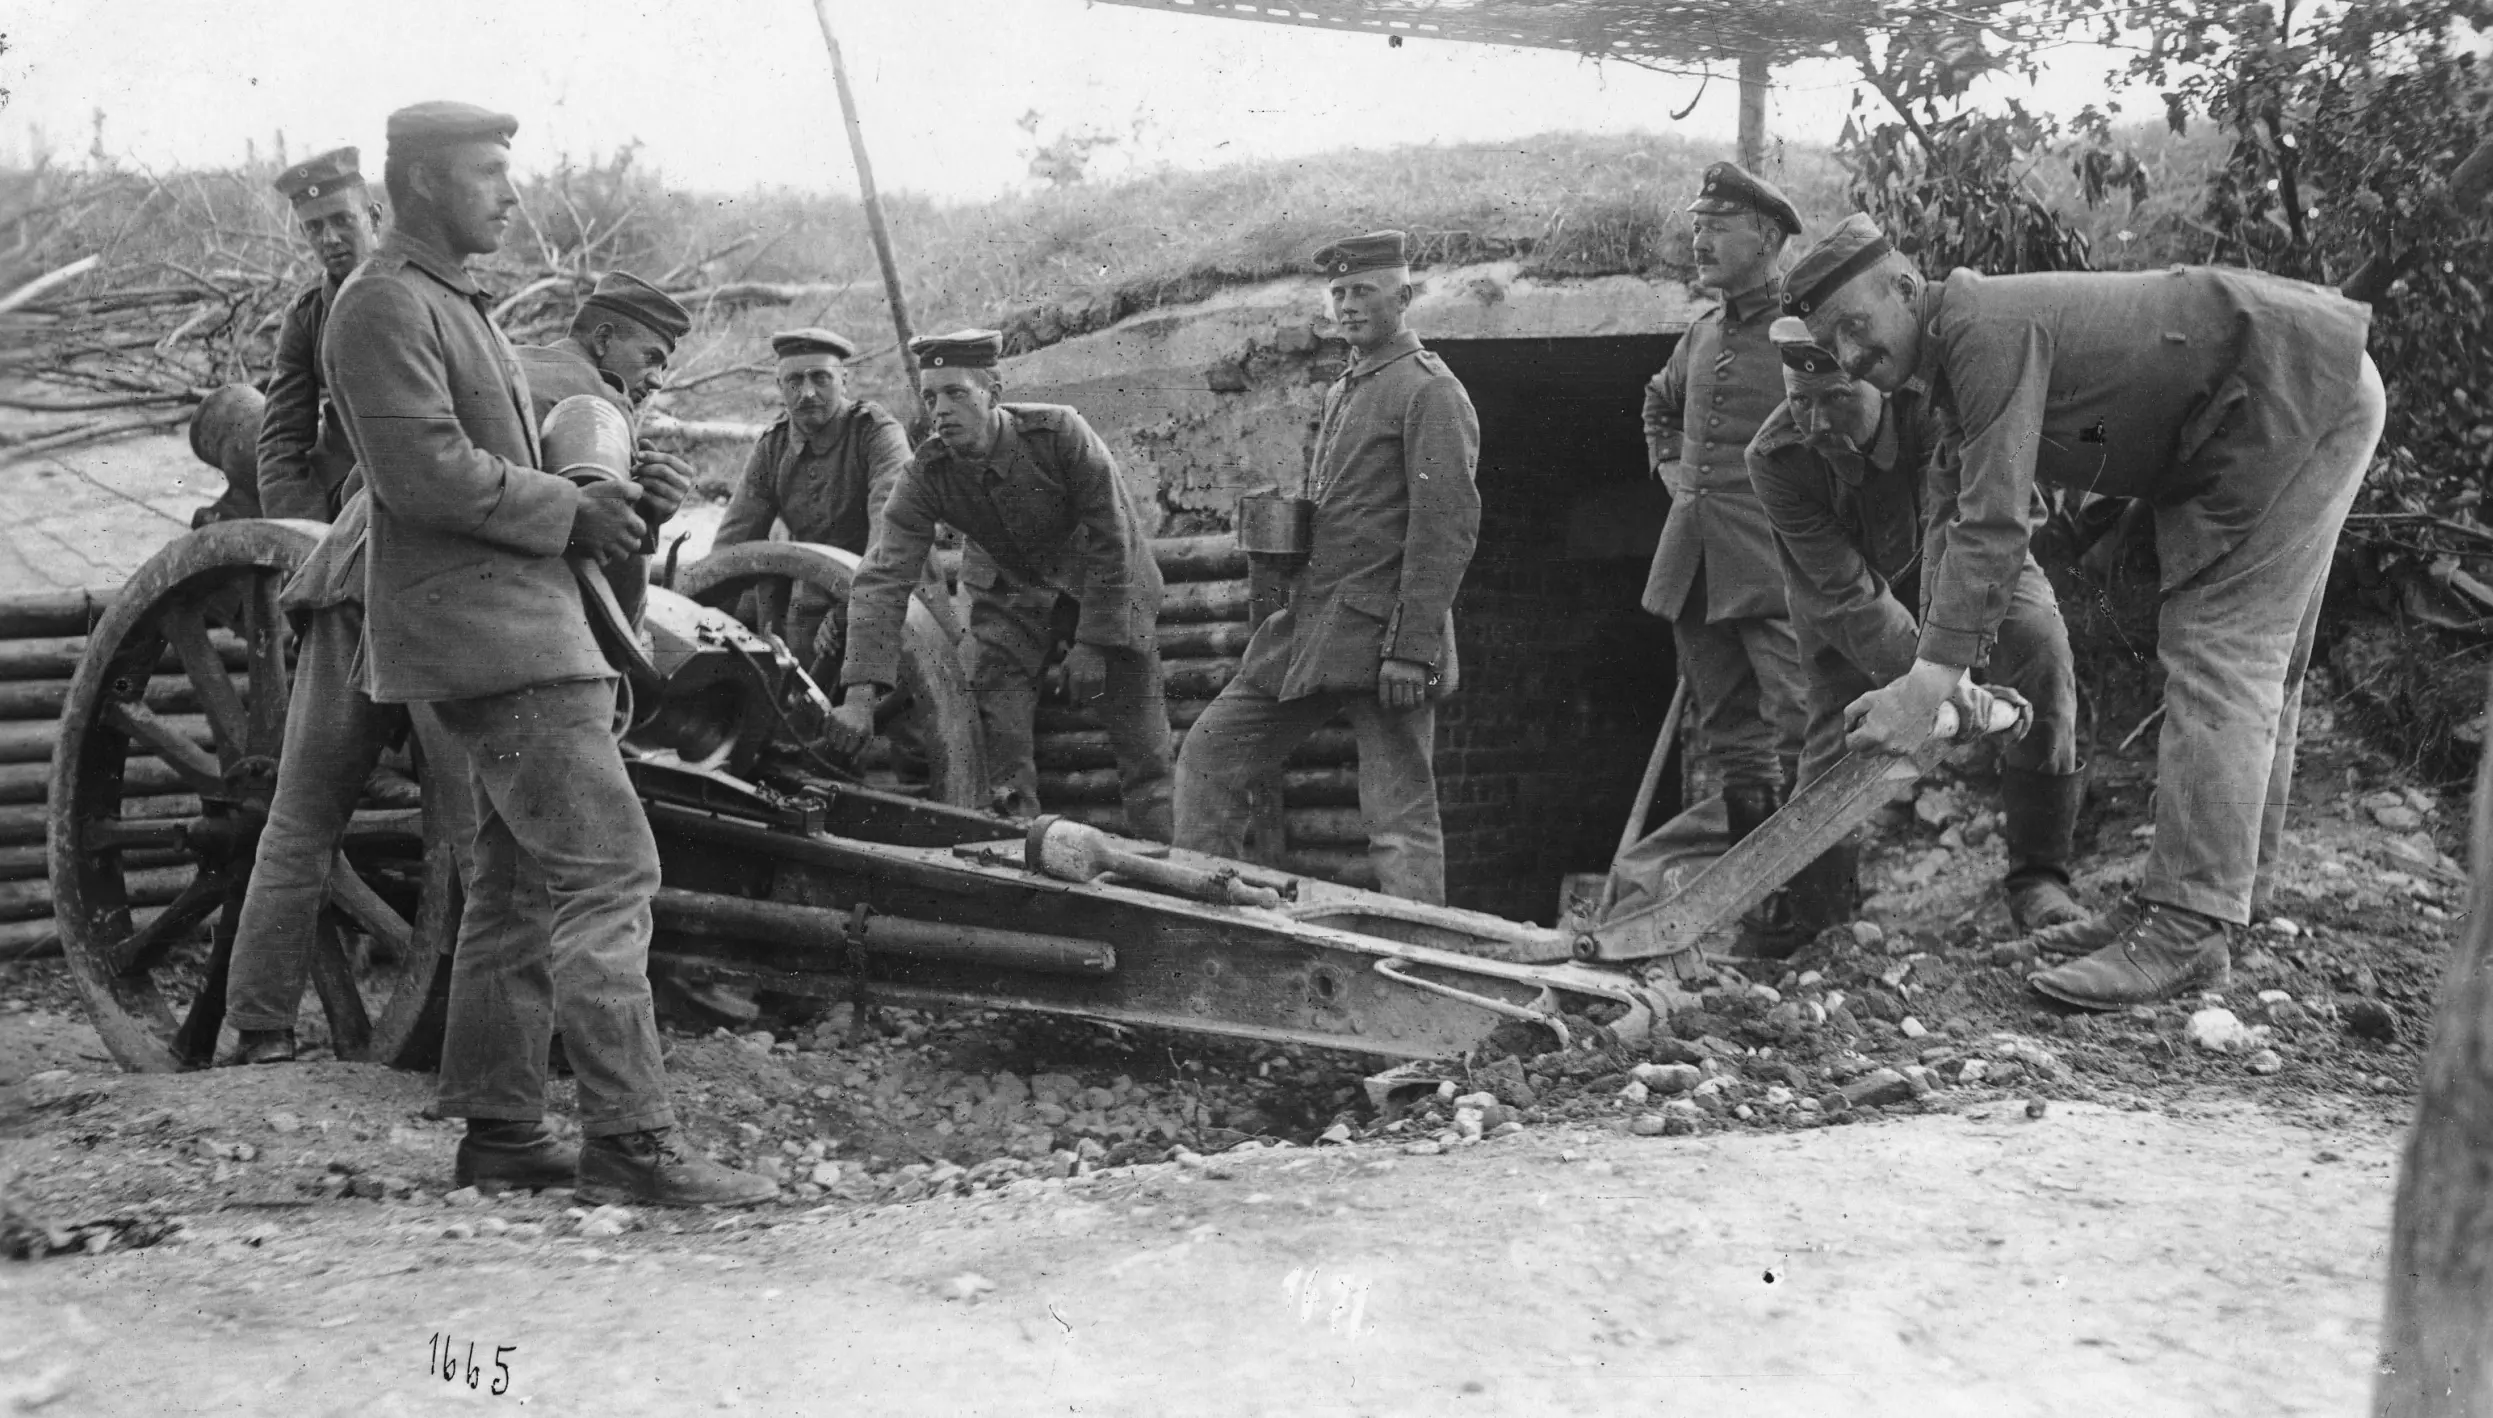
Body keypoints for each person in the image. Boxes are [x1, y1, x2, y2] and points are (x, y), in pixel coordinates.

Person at [325, 100, 771, 1206]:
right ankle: (631, 1139)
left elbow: (512, 468)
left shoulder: (447, 303)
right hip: (499, 643)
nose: (510, 195)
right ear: (424, 182)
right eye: (488, 174)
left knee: (518, 887)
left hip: (512, 631)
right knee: (614, 871)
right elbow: (423, 472)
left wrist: (621, 501)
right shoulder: (383, 305)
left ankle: (505, 1130)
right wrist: (574, 517)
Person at [1787, 212, 2385, 1009]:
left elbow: (1997, 522)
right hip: (2286, 397)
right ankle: (2228, 898)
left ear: (1904, 286)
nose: (1854, 357)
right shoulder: (1955, 367)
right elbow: (1954, 518)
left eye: (1856, 328)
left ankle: (2186, 929)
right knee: (2263, 665)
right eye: (1836, 348)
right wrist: (1947, 678)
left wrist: (1925, 686)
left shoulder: (1978, 328)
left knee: (2219, 646)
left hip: (2286, 394)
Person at [1744, 318, 2085, 944]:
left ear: (1874, 382)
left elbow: (1966, 530)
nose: (1816, 423)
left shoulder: (1935, 408)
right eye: (1800, 401)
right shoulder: (1775, 459)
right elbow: (1845, 594)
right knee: (1834, 739)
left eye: (1836, 398)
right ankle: (1822, 930)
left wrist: (1944, 673)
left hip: (1968, 559)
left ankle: (2041, 882)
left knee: (2043, 647)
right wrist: (1937, 688)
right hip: (1852, 594)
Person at [1172, 230, 1481, 904]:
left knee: (1397, 817)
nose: (1347, 304)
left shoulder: (1429, 392)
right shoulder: (1349, 385)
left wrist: (1411, 649)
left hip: (1384, 640)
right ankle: (1200, 917)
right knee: (1210, 756)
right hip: (1312, 627)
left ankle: (1425, 958)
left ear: (1403, 295)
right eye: (1337, 292)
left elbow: (1446, 528)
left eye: (1362, 291)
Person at [824, 330, 1174, 839]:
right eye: (929, 396)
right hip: (1010, 602)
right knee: (997, 746)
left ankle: (1170, 879)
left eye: (956, 392)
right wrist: (858, 696)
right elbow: (882, 577)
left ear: (993, 391)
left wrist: (1095, 644)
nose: (940, 410)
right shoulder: (927, 472)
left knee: (1147, 757)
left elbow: (1113, 537)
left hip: (1109, 593)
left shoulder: (1060, 434)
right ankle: (1017, 861)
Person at [1609, 162, 1809, 912]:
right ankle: (1755, 905)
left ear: (1765, 238)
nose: (1699, 241)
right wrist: (1672, 474)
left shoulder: (1805, 328)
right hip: (1693, 564)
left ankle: (1814, 905)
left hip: (1774, 564)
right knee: (1731, 738)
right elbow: (1655, 406)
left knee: (1800, 729)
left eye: (1717, 229)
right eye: (1696, 226)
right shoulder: (1698, 335)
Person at [713, 327, 913, 670]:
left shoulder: (877, 435)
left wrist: (850, 608)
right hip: (819, 595)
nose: (807, 393)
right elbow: (732, 542)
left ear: (844, 380)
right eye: (794, 381)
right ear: (780, 388)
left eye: (820, 378)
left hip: (896, 591)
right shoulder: (773, 447)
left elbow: (891, 535)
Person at [258, 146, 382, 523]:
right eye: (315, 227)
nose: (329, 238)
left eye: (342, 219)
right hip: (344, 491)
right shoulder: (307, 315)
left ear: (373, 217)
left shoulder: (426, 291)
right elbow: (281, 439)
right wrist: (304, 530)